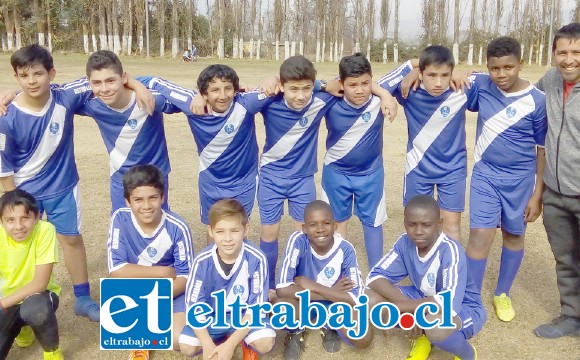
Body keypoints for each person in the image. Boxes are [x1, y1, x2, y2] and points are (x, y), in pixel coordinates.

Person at [0, 44, 100, 321]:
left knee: (71, 239)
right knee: (23, 244)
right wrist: (16, 202)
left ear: (51, 73)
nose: (31, 81)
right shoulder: (6, 116)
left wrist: (139, 87)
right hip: (25, 193)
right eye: (24, 75)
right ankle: (22, 302)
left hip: (63, 187)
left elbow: (106, 76)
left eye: (38, 73)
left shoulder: (65, 97)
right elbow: (3, 166)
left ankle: (82, 298)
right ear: (17, 77)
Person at [463, 37, 547, 323]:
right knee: (480, 235)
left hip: (520, 181)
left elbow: (542, 149)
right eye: (494, 68)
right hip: (485, 175)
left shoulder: (537, 101)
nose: (501, 74)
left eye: (508, 67)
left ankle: (502, 293)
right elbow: (454, 79)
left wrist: (537, 194)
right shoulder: (481, 86)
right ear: (487, 68)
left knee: (513, 235)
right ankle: (470, 299)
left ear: (520, 64)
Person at [140, 65, 275, 239]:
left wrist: (272, 79)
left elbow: (285, 85)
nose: (223, 95)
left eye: (228, 88)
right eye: (215, 90)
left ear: (235, 90)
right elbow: (153, 81)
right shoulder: (191, 103)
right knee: (214, 228)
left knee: (237, 228)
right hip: (211, 181)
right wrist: (136, 86)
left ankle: (239, 265)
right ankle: (211, 265)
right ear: (204, 94)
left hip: (244, 181)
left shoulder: (246, 103)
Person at [365, 195, 486, 360]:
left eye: (426, 225)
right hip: (422, 299)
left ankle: (466, 353)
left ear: (439, 225)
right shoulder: (405, 243)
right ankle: (422, 337)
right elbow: (374, 277)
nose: (418, 231)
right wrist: (408, 308)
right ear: (405, 222)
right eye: (412, 224)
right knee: (370, 298)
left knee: (435, 326)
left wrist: (407, 309)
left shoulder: (450, 250)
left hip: (464, 307)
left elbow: (449, 303)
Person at [322, 53, 408, 269]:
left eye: (365, 83)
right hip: (336, 172)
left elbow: (413, 64)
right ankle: (341, 272)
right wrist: (325, 84)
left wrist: (383, 93)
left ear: (372, 80)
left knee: (372, 223)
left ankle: (375, 274)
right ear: (341, 83)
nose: (360, 90)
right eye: (352, 85)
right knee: (338, 222)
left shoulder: (378, 96)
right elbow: (300, 85)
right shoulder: (330, 99)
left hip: (370, 174)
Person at [388, 45, 479, 242]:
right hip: (418, 170)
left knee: (451, 228)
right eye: (431, 75)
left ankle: (449, 272)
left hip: (453, 170)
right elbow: (381, 84)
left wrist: (462, 73)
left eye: (445, 75)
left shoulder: (461, 89)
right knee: (417, 229)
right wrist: (411, 68)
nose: (438, 82)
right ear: (421, 73)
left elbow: (494, 81)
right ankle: (419, 271)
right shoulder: (408, 90)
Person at [107, 164, 194, 360]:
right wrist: (163, 273)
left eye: (152, 198)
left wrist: (157, 297)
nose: (146, 206)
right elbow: (116, 269)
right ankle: (141, 339)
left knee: (178, 341)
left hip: (172, 291)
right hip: (137, 289)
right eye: (138, 199)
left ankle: (156, 318)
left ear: (162, 197)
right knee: (118, 285)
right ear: (128, 201)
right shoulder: (119, 219)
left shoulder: (177, 227)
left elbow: (186, 276)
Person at [80, 50, 177, 212]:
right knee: (124, 224)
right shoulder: (92, 104)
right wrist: (135, 83)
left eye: (110, 81)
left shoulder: (151, 98)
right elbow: (56, 94)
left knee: (158, 224)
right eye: (97, 83)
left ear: (123, 77)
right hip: (121, 178)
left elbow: (191, 101)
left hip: (156, 176)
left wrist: (136, 84)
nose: (104, 89)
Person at [179, 199, 275, 359]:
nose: (228, 238)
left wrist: (230, 347)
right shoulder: (201, 261)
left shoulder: (257, 258)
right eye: (220, 231)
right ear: (210, 231)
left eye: (234, 231)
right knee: (186, 347)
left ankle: (242, 341)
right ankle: (216, 341)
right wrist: (208, 345)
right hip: (212, 317)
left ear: (246, 229)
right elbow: (193, 309)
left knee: (265, 343)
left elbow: (255, 309)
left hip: (243, 315)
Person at [533, 22, 580, 339]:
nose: (569, 60)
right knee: (565, 261)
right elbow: (513, 89)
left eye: (576, 52)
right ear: (553, 54)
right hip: (555, 193)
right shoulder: (549, 81)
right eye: (562, 52)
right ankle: (572, 317)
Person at [275, 200, 365, 360]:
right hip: (302, 302)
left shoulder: (346, 249)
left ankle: (330, 324)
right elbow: (282, 288)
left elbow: (357, 298)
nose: (320, 229)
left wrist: (314, 287)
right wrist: (332, 292)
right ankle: (295, 331)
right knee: (281, 305)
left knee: (362, 337)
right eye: (313, 225)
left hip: (331, 303)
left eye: (326, 223)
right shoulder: (297, 241)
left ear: (335, 225)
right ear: (304, 228)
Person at [0, 189, 64, 360]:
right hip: (8, 298)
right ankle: (21, 328)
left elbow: (39, 284)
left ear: (36, 217)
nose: (19, 226)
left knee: (35, 309)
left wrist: (1, 304)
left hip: (39, 296)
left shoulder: (45, 230)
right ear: (1, 221)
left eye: (25, 218)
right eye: (10, 220)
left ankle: (52, 353)